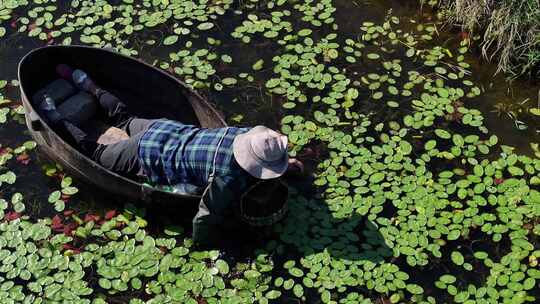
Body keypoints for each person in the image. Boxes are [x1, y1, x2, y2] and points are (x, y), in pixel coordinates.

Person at [38, 64, 304, 247]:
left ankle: (87, 83)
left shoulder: (247, 135)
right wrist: (203, 245)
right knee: (97, 154)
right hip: (147, 152)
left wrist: (286, 164)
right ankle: (55, 117)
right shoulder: (229, 177)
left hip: (167, 128)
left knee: (126, 119)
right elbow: (205, 216)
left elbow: (269, 152)